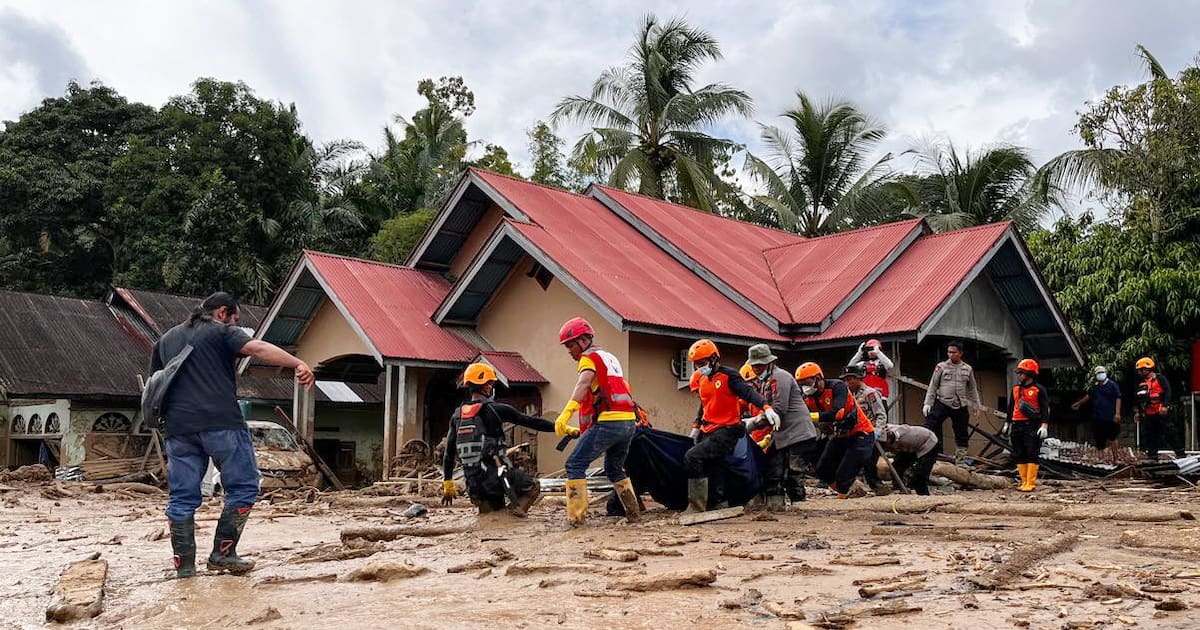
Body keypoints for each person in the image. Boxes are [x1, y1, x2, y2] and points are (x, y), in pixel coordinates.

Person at [150, 292, 315, 579]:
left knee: (181, 498)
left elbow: (156, 381)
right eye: (235, 319)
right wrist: (297, 363)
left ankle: (185, 569)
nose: (235, 324)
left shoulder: (166, 339)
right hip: (221, 422)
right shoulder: (221, 331)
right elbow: (258, 349)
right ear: (223, 312)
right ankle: (223, 554)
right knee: (244, 486)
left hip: (178, 428)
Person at [552, 317, 640, 526]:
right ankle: (634, 515)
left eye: (571, 345)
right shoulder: (610, 358)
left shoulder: (588, 358)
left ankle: (576, 520)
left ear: (584, 340)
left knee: (574, 464)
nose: (569, 351)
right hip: (628, 423)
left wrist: (566, 412)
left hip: (609, 422)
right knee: (614, 468)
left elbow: (583, 384)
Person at [441, 363, 558, 516]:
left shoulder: (457, 415)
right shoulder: (496, 409)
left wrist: (448, 483)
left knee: (490, 517)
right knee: (532, 486)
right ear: (486, 387)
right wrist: (559, 427)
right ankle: (512, 517)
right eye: (490, 383)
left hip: (473, 485)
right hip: (497, 478)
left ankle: (501, 521)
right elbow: (531, 422)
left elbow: (449, 454)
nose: (491, 386)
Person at [684, 339, 778, 513]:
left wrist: (766, 407)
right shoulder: (701, 379)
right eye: (696, 364)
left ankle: (696, 506)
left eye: (702, 363)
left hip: (728, 429)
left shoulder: (729, 375)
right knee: (715, 464)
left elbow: (748, 392)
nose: (699, 367)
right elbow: (704, 405)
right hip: (708, 428)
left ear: (714, 358)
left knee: (692, 457)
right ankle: (718, 502)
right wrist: (696, 427)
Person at [746, 344, 818, 510]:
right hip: (782, 435)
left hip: (799, 434)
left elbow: (778, 409)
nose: (756, 369)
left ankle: (799, 508)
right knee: (772, 470)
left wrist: (753, 423)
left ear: (769, 363)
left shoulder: (780, 378)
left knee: (794, 473)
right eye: (754, 366)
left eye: (760, 365)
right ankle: (775, 507)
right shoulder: (765, 381)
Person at [796, 362, 875, 499]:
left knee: (845, 472)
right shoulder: (807, 399)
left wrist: (810, 416)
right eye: (802, 384)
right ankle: (849, 491)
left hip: (861, 433)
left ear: (818, 378)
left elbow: (838, 412)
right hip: (839, 435)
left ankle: (843, 495)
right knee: (822, 469)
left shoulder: (837, 387)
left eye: (807, 382)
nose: (805, 387)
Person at [922, 340, 982, 463]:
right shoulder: (941, 367)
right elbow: (933, 385)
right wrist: (927, 403)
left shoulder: (967, 369)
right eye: (949, 352)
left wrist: (976, 405)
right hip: (942, 402)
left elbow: (972, 388)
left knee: (962, 433)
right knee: (930, 425)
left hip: (960, 404)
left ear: (960, 353)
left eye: (954, 352)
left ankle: (961, 460)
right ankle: (927, 455)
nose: (951, 354)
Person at [1003, 359, 1050, 492]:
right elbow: (1011, 407)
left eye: (1021, 373)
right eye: (1018, 373)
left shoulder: (1038, 389)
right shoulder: (1015, 389)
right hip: (1017, 424)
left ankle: (1030, 482)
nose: (1019, 375)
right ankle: (1023, 481)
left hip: (1032, 425)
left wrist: (1044, 425)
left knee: (1032, 452)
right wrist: (1007, 423)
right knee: (1019, 452)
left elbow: (1045, 408)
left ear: (1030, 374)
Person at [842, 365, 890, 495]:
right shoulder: (849, 396)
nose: (848, 383)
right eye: (846, 380)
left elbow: (881, 414)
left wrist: (877, 431)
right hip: (858, 434)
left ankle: (878, 488)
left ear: (858, 379)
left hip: (873, 434)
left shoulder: (870, 393)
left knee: (869, 463)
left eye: (850, 379)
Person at [1071, 366, 1123, 461]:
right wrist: (1079, 403)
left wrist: (1117, 413)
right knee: (1099, 440)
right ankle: (1101, 459)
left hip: (1110, 417)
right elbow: (1088, 396)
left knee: (1113, 437)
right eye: (1098, 373)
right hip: (1097, 417)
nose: (1100, 374)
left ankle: (1116, 458)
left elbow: (1118, 398)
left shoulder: (1112, 385)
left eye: (1102, 372)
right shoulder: (1095, 386)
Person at [878, 424, 939, 495]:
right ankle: (898, 488)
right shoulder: (887, 431)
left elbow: (904, 432)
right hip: (912, 445)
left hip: (929, 443)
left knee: (920, 474)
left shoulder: (904, 439)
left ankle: (923, 496)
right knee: (897, 465)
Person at [1133, 357, 1173, 459]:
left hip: (1160, 411)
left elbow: (1167, 391)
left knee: (1168, 433)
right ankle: (1152, 457)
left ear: (1147, 369)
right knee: (1149, 436)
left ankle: (1180, 454)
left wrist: (1165, 406)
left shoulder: (1160, 379)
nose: (1139, 372)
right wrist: (1138, 412)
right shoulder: (1142, 384)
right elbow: (1139, 399)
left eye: (1141, 370)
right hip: (1148, 413)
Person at [848, 339, 895, 419]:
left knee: (881, 417)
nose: (871, 352)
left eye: (872, 349)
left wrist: (878, 353)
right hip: (866, 397)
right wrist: (859, 353)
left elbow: (890, 365)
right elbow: (850, 367)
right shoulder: (863, 364)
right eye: (869, 350)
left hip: (881, 397)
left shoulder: (883, 363)